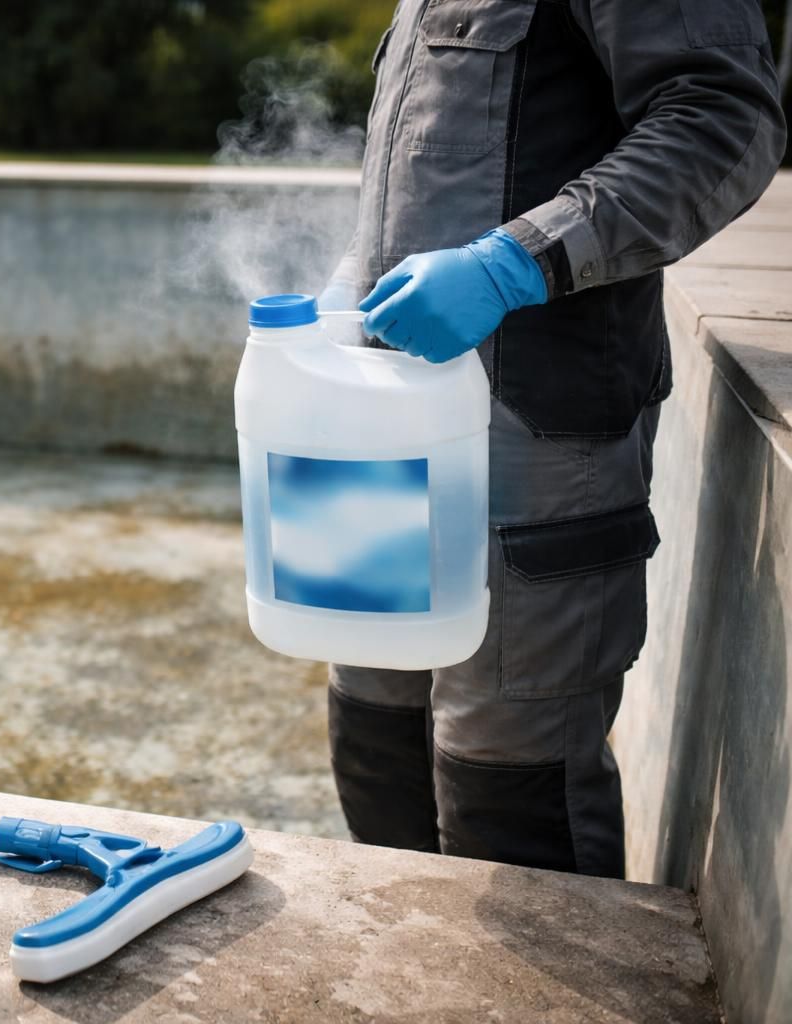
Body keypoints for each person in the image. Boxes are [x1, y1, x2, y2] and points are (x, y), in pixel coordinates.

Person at [320, 0, 787, 877]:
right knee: (375, 743)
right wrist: (357, 273)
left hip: (537, 445)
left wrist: (514, 260)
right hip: (394, 438)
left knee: (511, 798)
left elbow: (726, 120)